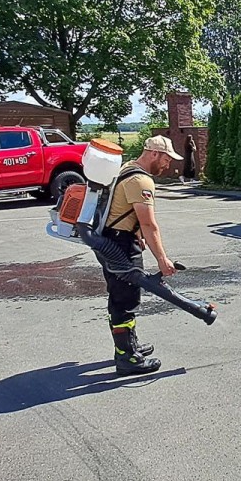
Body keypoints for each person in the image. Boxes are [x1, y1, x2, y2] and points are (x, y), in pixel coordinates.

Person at [101, 135, 184, 376]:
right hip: (119, 242)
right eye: (167, 159)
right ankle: (127, 358)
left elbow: (128, 212)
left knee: (122, 295)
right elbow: (149, 224)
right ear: (154, 154)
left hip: (113, 238)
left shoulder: (128, 167)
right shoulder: (141, 180)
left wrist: (136, 232)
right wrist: (162, 259)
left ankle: (129, 346)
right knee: (124, 299)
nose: (168, 165)